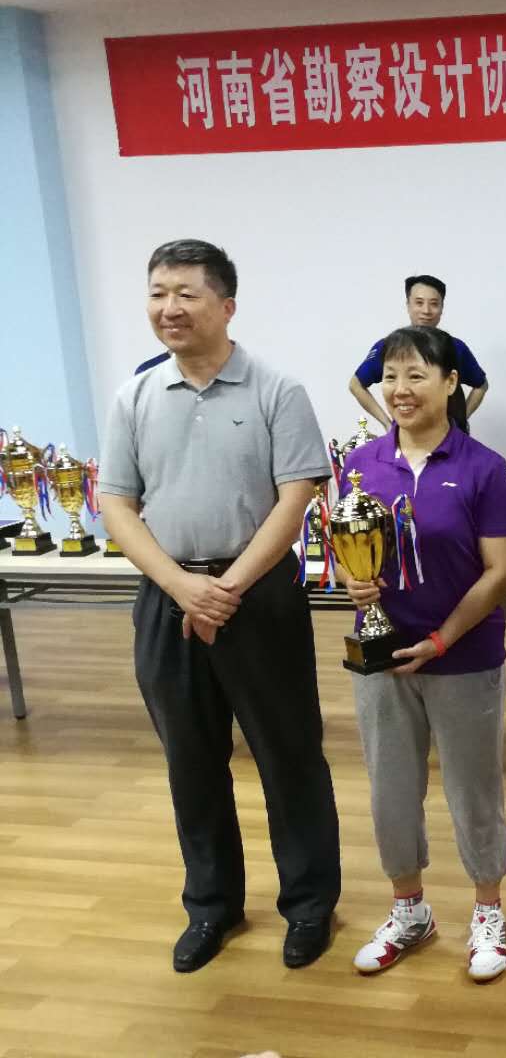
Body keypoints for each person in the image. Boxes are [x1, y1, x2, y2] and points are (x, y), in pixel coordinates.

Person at [98, 239, 341, 973]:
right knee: (191, 762)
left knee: (288, 756)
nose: (168, 308)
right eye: (157, 293)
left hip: (258, 599)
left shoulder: (277, 390)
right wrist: (181, 587)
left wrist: (227, 588)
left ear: (226, 305)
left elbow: (297, 496)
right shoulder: (135, 396)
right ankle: (211, 906)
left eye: (186, 293)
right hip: (167, 598)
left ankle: (309, 905)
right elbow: (116, 503)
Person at [338, 326, 506, 980]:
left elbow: (500, 571)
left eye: (416, 375)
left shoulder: (483, 468)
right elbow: (347, 549)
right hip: (382, 659)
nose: (400, 389)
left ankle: (488, 910)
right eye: (391, 376)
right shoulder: (360, 465)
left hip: (463, 656)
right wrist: (352, 581)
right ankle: (409, 909)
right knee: (390, 789)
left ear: (450, 383)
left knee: (474, 791)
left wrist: (443, 638)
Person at [348, 275, 489, 430]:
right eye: (419, 303)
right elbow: (356, 384)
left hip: (448, 437)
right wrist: (387, 424)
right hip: (406, 435)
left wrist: (460, 421)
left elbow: (481, 385)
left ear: (442, 308)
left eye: (434, 304)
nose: (426, 311)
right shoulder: (390, 347)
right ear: (408, 305)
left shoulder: (456, 347)